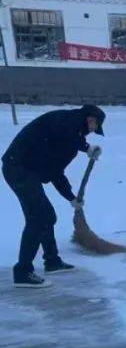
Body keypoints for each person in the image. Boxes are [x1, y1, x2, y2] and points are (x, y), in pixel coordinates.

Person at [2, 104, 105, 288]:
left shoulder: (69, 144)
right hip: (17, 167)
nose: (92, 132)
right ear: (90, 120)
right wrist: (87, 147)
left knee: (47, 216)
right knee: (38, 218)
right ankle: (23, 272)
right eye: (94, 127)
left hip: (26, 171)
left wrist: (72, 198)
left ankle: (52, 261)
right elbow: (67, 131)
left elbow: (57, 173)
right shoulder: (66, 120)